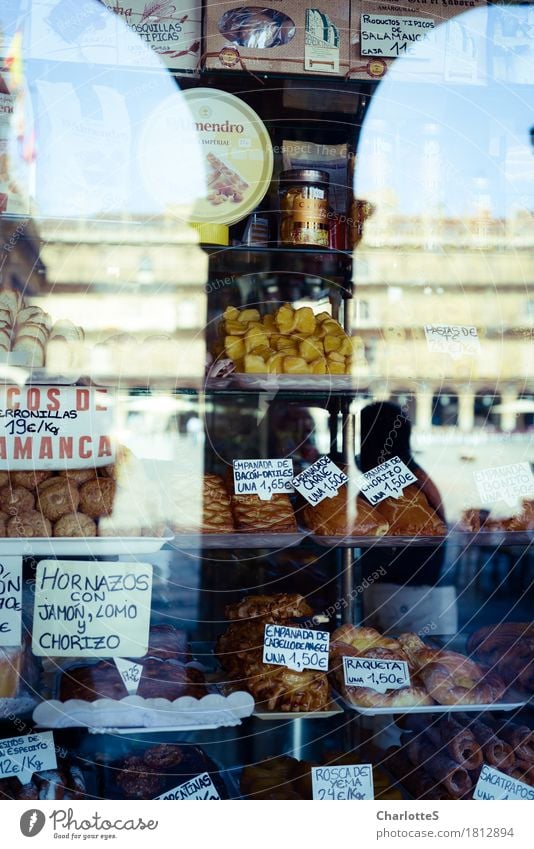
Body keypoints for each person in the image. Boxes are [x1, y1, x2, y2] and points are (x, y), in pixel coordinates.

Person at [357, 401, 457, 635]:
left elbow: (363, 524)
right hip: (417, 592)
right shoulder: (414, 474)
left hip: (400, 595)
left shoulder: (394, 481)